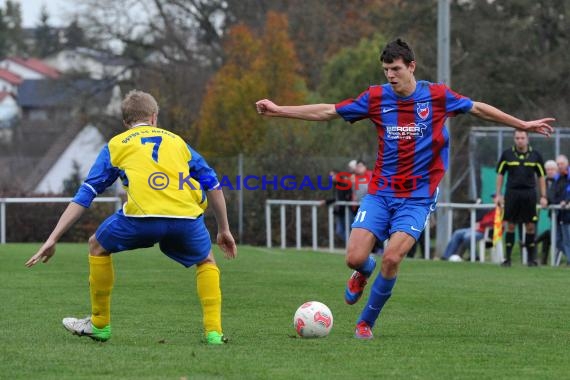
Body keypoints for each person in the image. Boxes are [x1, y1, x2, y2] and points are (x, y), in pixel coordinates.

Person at [255, 38, 554, 339]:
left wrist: (523, 125)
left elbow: (477, 108)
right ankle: (362, 271)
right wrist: (279, 110)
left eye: (396, 68)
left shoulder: (436, 96)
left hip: (418, 197)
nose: (390, 75)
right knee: (354, 257)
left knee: (392, 258)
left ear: (411, 66)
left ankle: (365, 322)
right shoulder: (376, 98)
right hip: (381, 193)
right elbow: (328, 111)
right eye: (386, 69)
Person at [25, 90, 237, 345]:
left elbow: (86, 194)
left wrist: (53, 238)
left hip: (142, 220)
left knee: (96, 244)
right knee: (206, 260)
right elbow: (213, 184)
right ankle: (213, 333)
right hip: (186, 220)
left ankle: (100, 324)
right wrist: (224, 229)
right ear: (154, 117)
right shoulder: (178, 143)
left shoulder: (117, 144)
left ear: (126, 123)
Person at [495, 130, 547, 267]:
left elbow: (542, 177)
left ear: (527, 139)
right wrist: (498, 194)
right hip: (512, 193)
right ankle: (508, 259)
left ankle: (531, 260)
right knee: (510, 225)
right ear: (514, 139)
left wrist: (543, 196)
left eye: (522, 138)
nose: (520, 140)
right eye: (517, 138)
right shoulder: (507, 154)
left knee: (530, 226)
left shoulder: (536, 155)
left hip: (529, 194)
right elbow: (500, 174)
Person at [535, 159, 558, 264]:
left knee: (550, 234)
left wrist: (547, 200)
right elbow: (538, 196)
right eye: (547, 169)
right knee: (549, 236)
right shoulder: (541, 181)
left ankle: (533, 242)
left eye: (552, 169)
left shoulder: (562, 181)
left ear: (556, 170)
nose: (549, 171)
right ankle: (543, 260)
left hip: (562, 215)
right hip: (553, 214)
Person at [553, 154, 570, 265]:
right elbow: (553, 194)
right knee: (558, 241)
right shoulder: (557, 178)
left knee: (567, 240)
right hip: (560, 214)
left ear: (567, 164)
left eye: (562, 164)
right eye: (558, 164)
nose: (560, 166)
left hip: (567, 214)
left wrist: (567, 201)